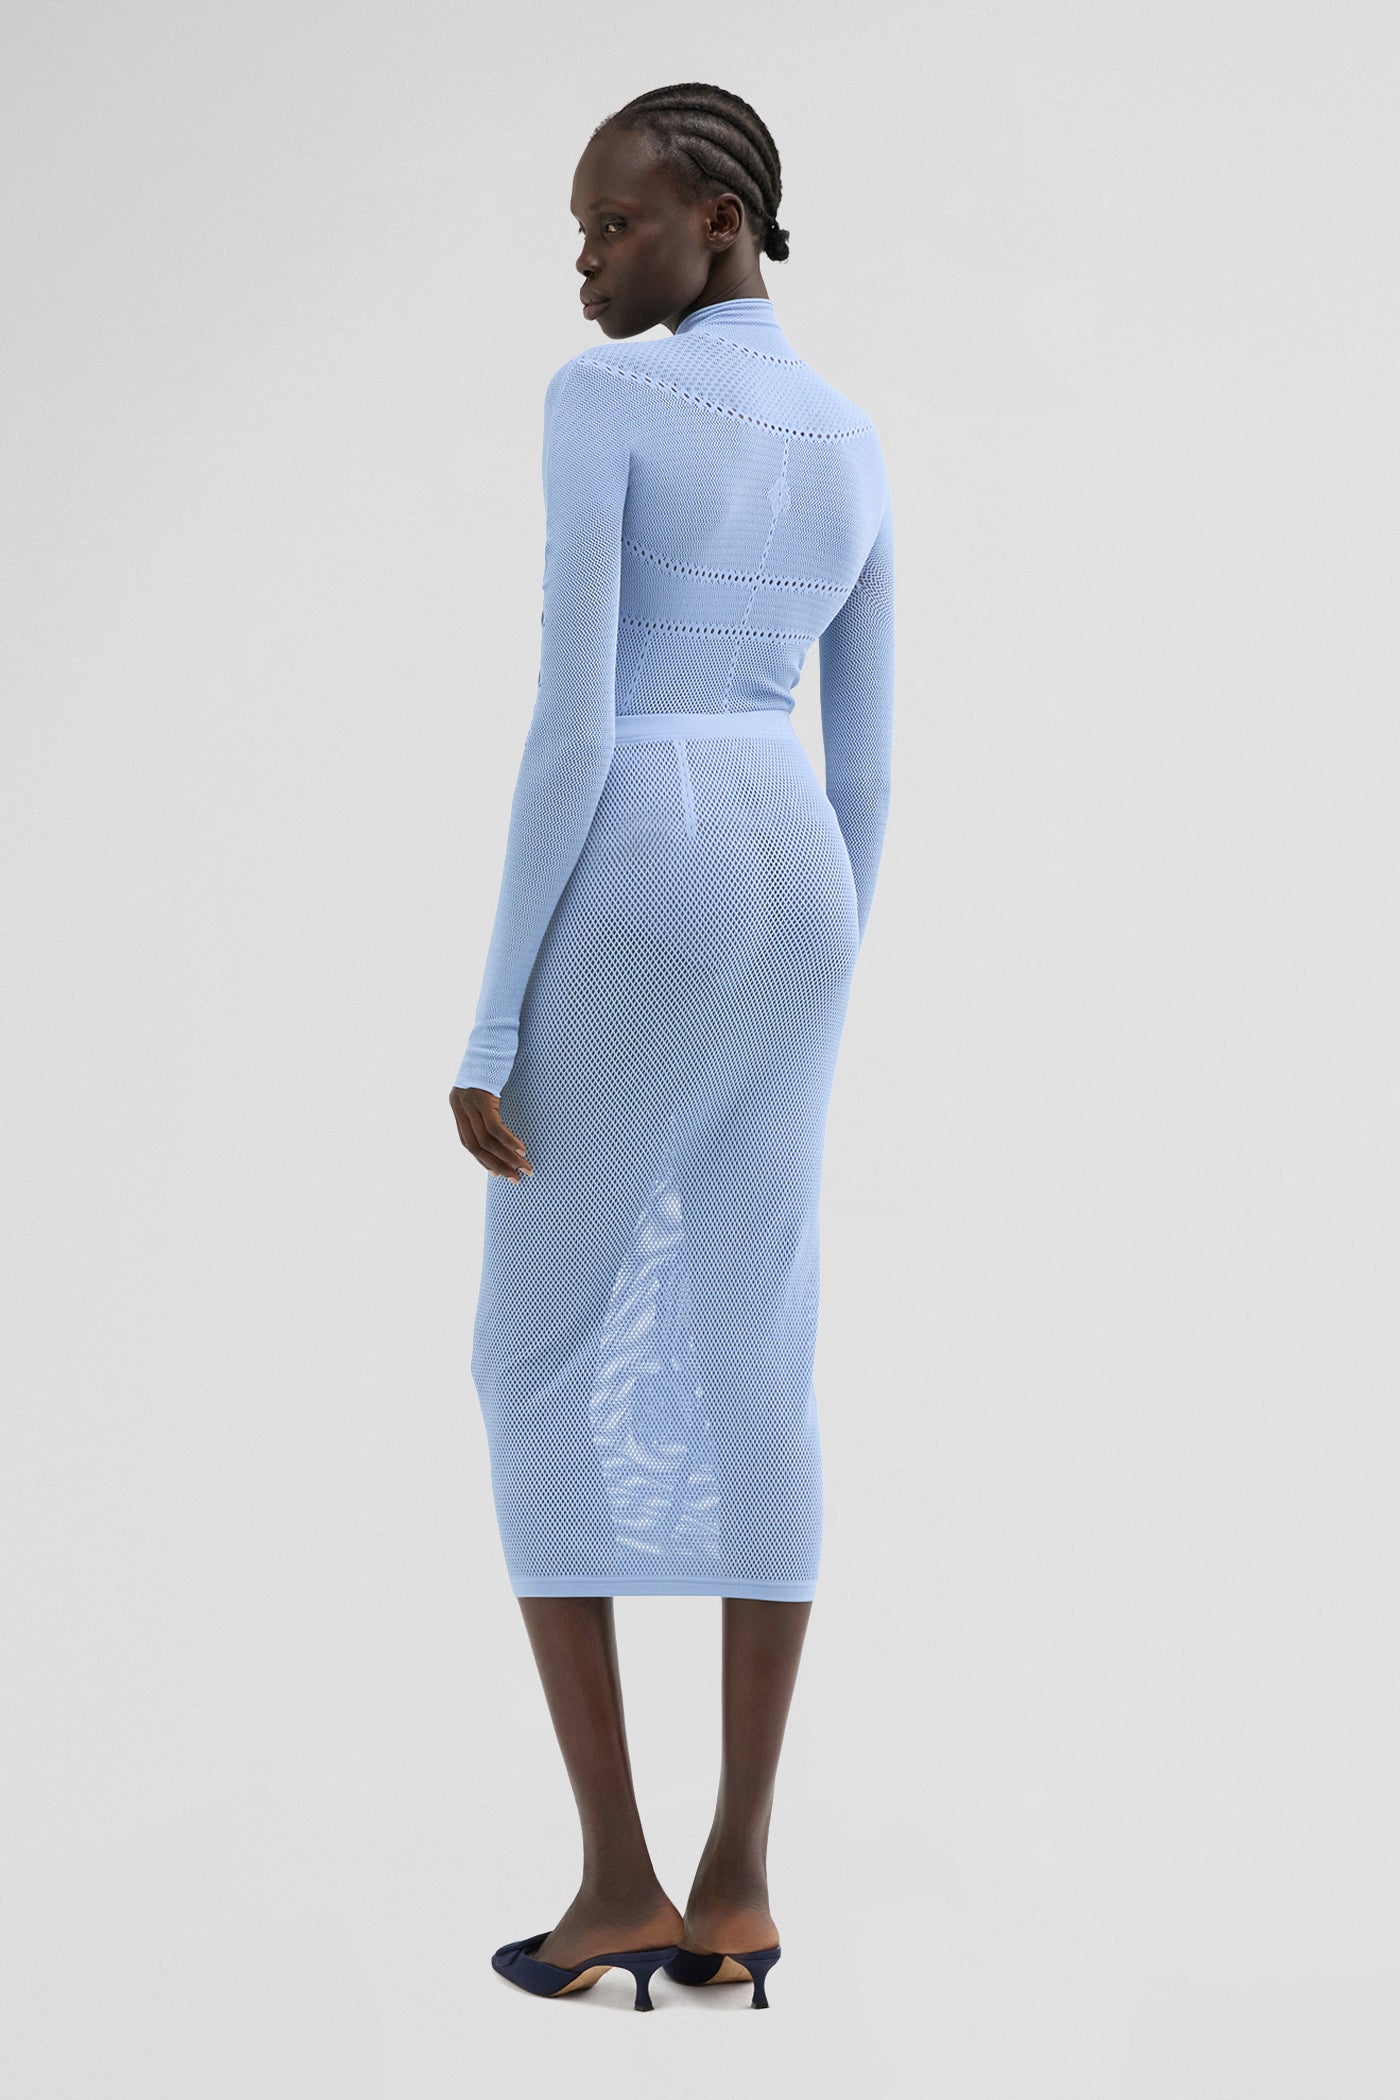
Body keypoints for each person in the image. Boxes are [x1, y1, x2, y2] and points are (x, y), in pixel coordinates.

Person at [448, 82, 895, 2010]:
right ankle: (741, 1884)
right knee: (755, 1343)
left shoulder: (605, 400)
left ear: (718, 219)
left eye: (611, 225)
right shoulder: (853, 435)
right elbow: (867, 762)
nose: (583, 262)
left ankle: (619, 1880)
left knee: (534, 1354)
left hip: (646, 847)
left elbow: (572, 728)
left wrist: (490, 1018)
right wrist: (827, 961)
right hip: (800, 870)